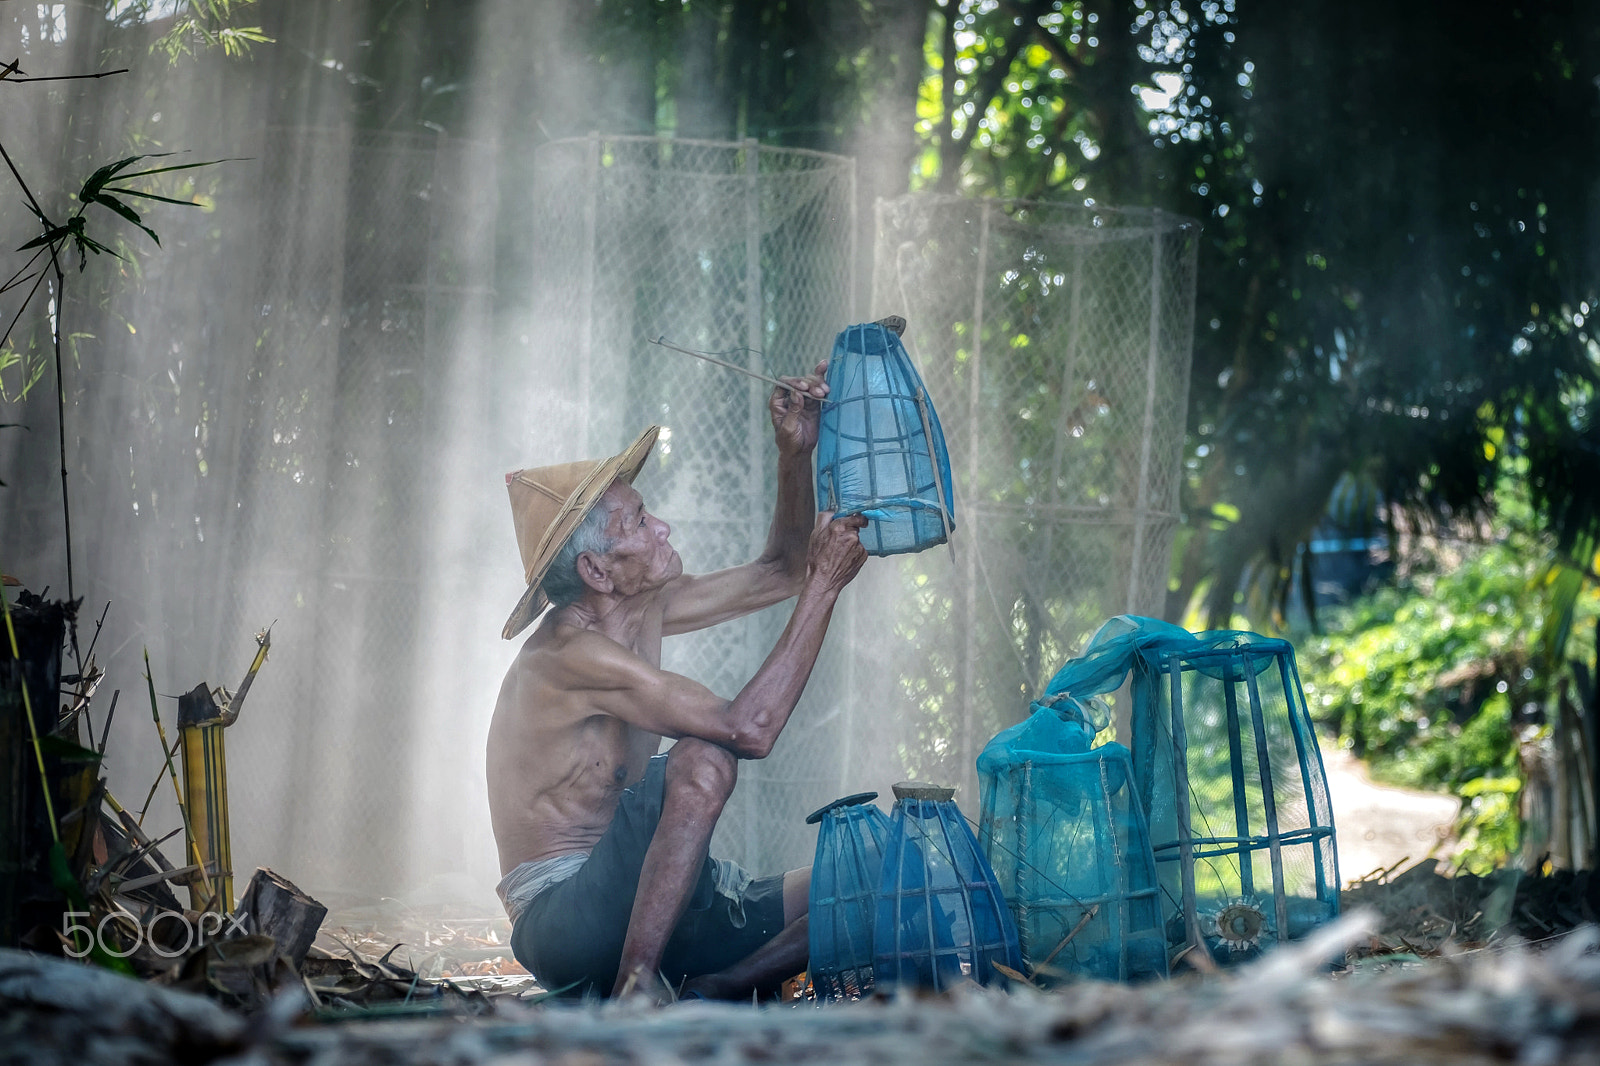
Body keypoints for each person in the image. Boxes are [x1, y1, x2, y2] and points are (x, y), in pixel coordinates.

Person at [487, 363, 868, 1002]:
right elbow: (749, 729)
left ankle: (718, 988)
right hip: (566, 920)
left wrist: (793, 455)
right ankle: (638, 987)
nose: (661, 526)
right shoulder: (567, 657)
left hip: (655, 903)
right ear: (596, 571)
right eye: (638, 522)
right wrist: (826, 586)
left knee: (874, 875)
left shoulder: (641, 605)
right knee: (700, 758)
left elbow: (780, 571)